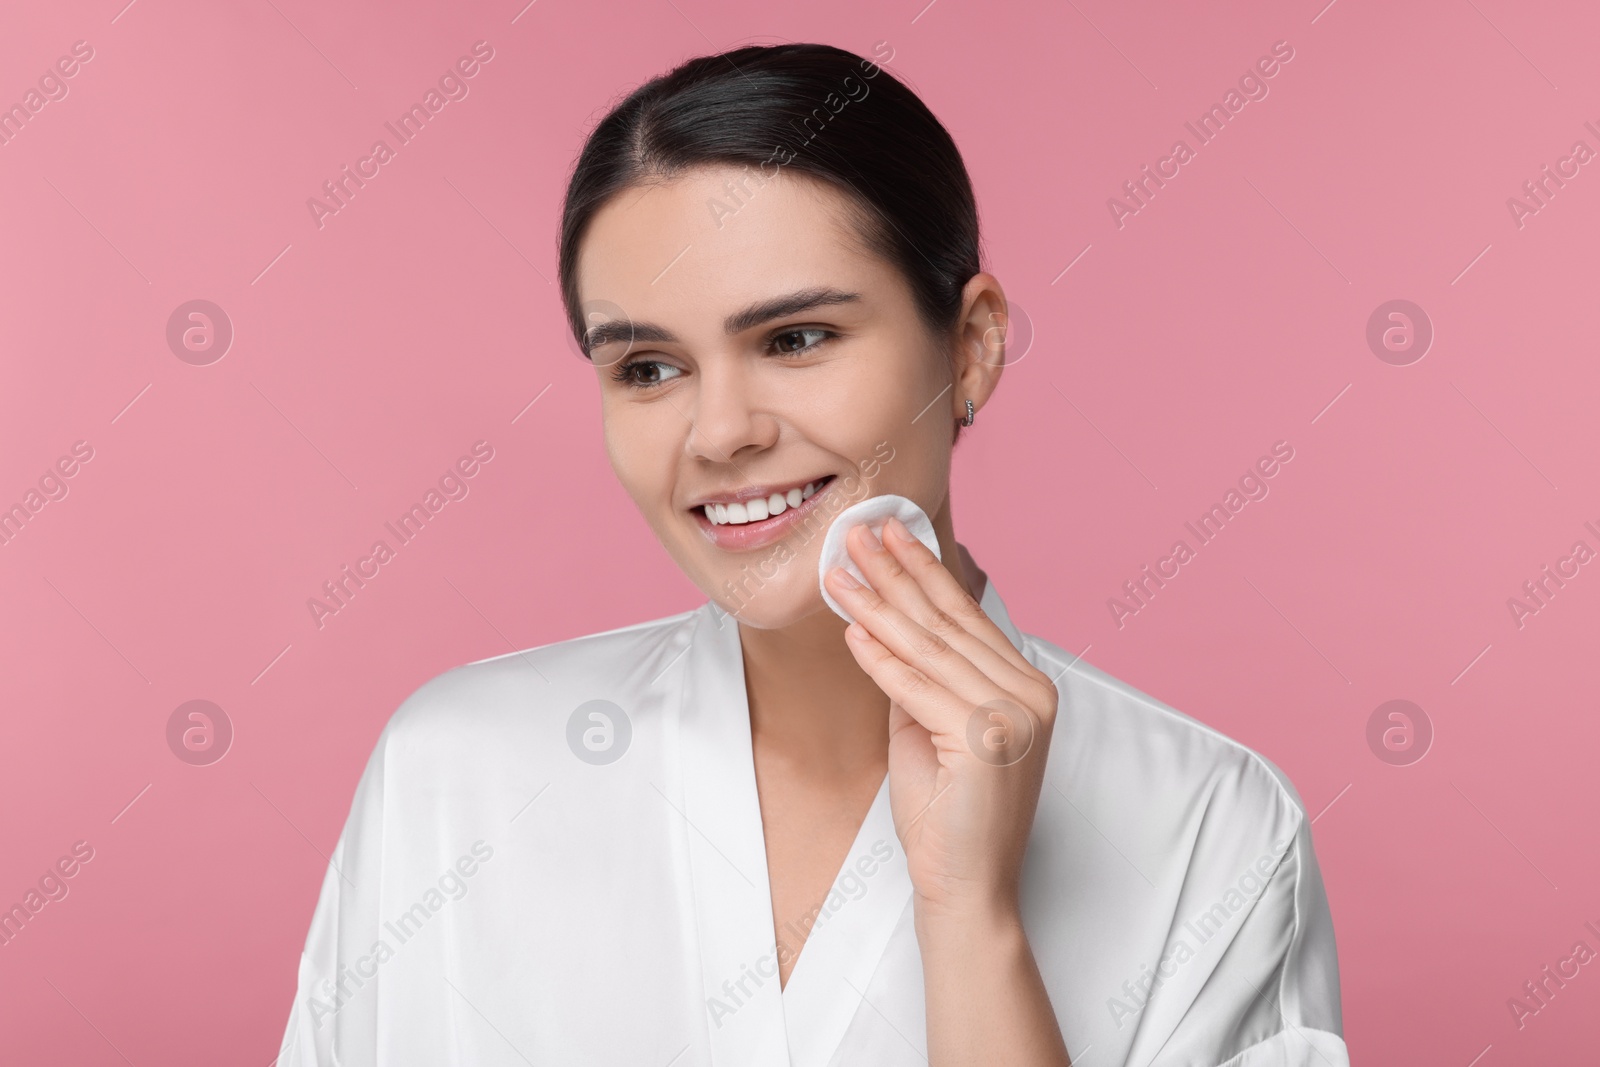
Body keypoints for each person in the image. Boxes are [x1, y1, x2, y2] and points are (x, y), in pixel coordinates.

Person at [276, 42, 1347, 1067]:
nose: (719, 431)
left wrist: (971, 922)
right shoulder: (458, 773)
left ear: (971, 346)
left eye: (794, 339)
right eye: (648, 367)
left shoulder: (1213, 828)